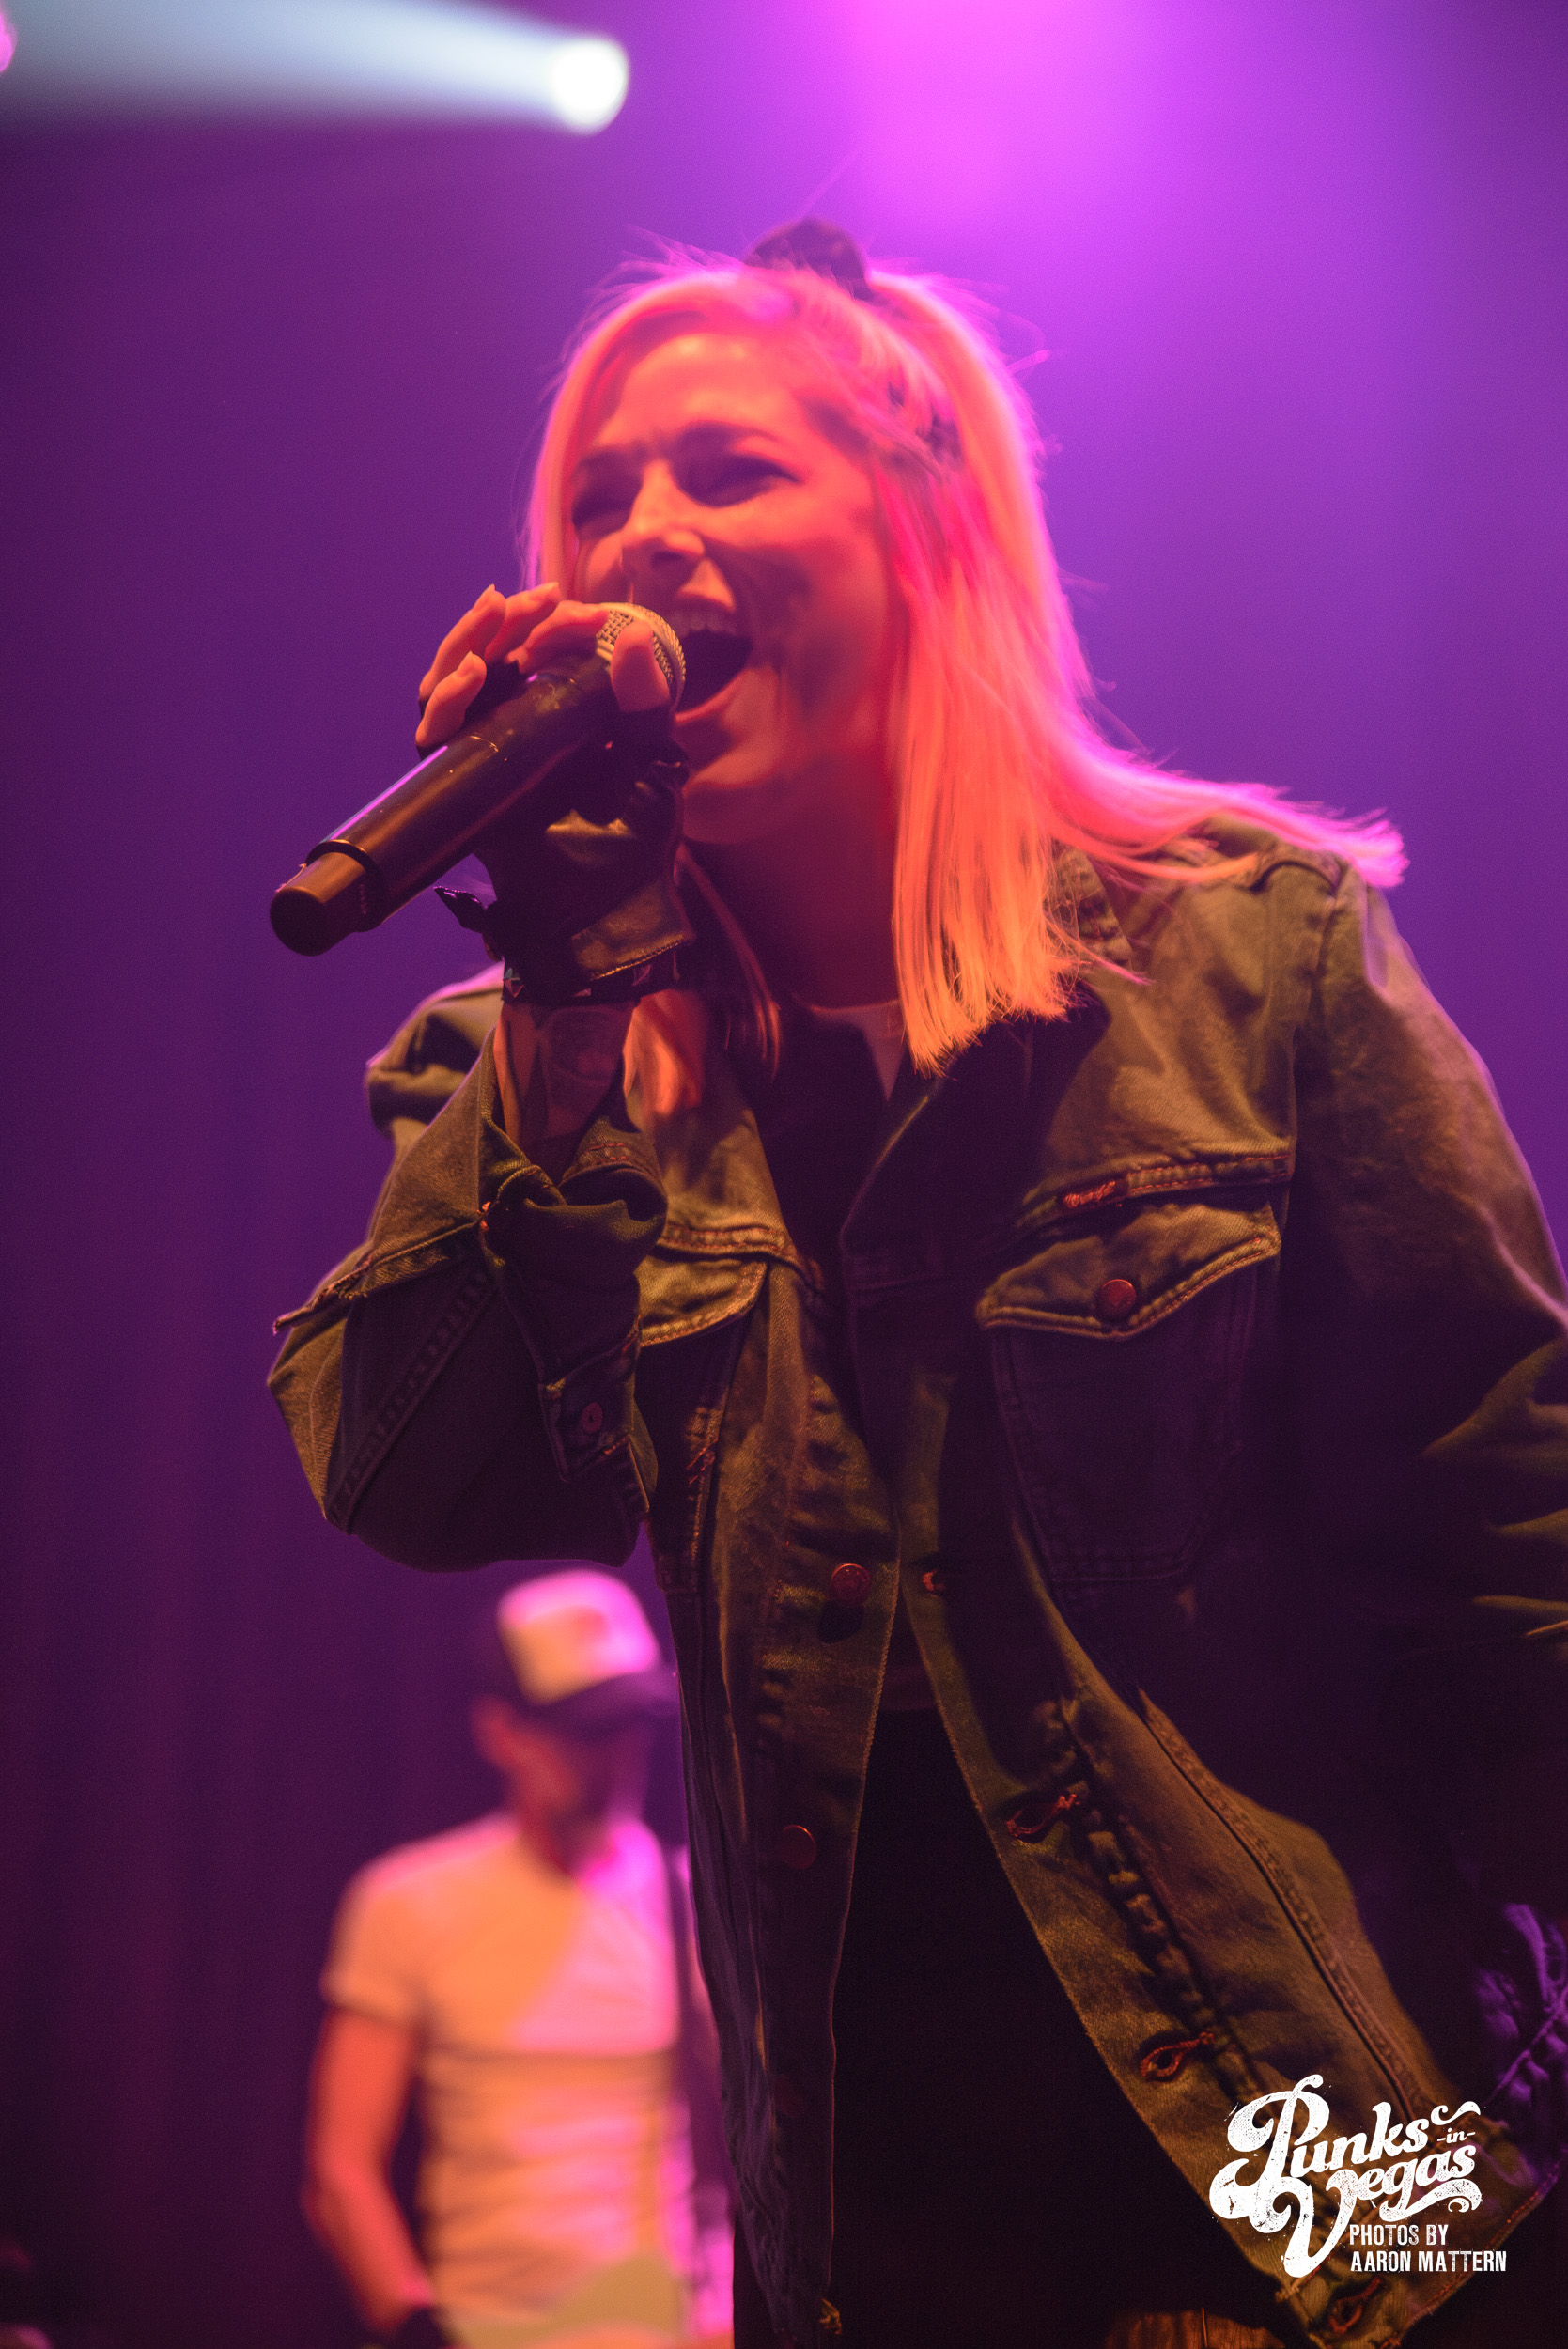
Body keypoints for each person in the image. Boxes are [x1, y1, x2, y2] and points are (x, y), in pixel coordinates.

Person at [272, 221, 1568, 2347]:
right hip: (875, 2252)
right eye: (597, 497)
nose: (643, 535)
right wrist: (565, 1009)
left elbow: (1511, 1568)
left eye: (725, 470)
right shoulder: (543, 1072)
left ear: (925, 530)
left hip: (1344, 2187)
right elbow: (421, 1483)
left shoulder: (1246, 960)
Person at [303, 1570, 734, 2349]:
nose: (610, 1755)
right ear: (501, 1733)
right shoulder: (410, 1902)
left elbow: (754, 2151)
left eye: (624, 1724)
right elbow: (343, 2169)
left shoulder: (696, 1903)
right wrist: (413, 2322)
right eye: (580, 1729)